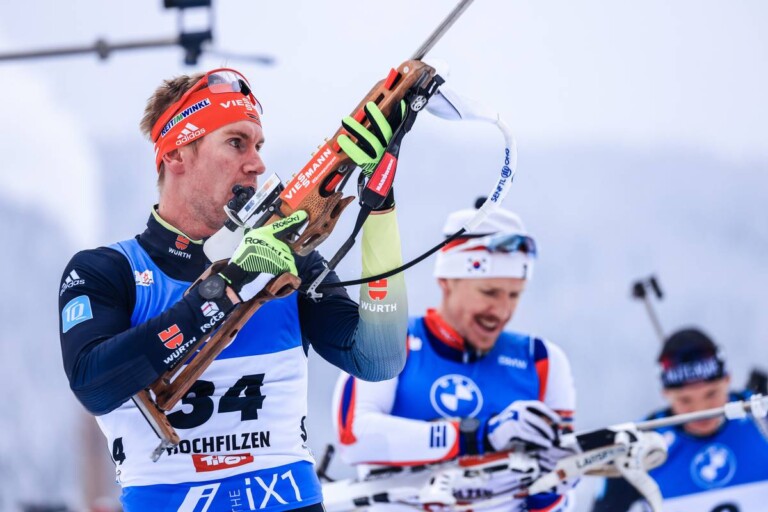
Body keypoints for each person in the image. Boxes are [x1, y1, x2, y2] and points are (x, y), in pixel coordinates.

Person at [58, 67, 411, 512]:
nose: (256, 164)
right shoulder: (108, 270)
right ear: (176, 154)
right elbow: (94, 384)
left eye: (258, 145)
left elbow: (379, 358)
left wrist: (380, 208)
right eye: (236, 143)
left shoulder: (289, 259)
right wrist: (229, 284)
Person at [331, 202, 578, 511]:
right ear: (446, 281)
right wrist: (481, 435)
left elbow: (562, 486)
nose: (502, 311)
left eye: (514, 295)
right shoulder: (390, 339)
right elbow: (354, 438)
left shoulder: (542, 360)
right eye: (489, 292)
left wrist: (550, 487)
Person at [592, 328, 768, 511]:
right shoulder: (642, 445)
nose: (701, 409)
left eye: (711, 394)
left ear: (727, 380)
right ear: (665, 393)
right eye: (685, 400)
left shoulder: (761, 417)